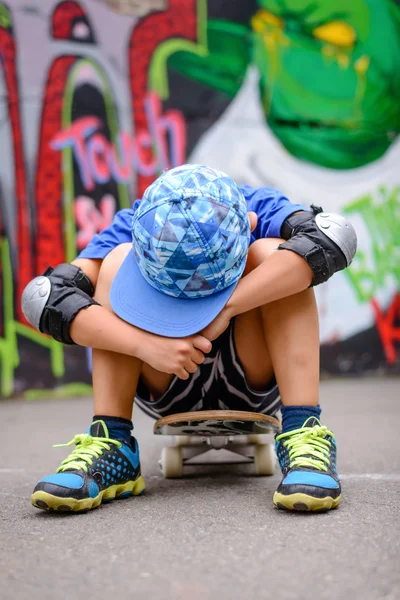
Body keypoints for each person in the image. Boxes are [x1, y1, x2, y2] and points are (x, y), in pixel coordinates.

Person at [22, 164, 357, 513]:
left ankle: (303, 429)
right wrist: (147, 347)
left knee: (277, 254)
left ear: (249, 223)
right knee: (115, 260)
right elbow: (47, 297)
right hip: (163, 376)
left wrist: (224, 309)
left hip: (253, 373)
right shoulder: (134, 222)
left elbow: (332, 237)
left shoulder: (257, 205)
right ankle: (112, 441)